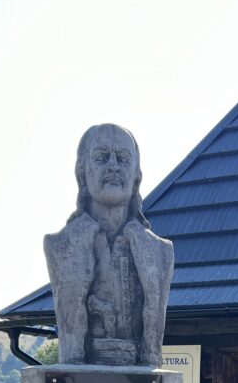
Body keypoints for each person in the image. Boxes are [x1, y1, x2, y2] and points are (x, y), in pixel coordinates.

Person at [44, 124, 174, 366]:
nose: (113, 166)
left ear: (136, 175)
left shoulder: (160, 252)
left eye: (123, 159)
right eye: (102, 158)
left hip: (140, 381)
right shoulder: (60, 245)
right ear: (82, 173)